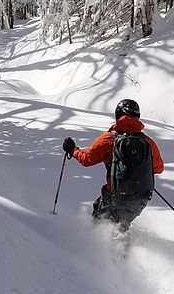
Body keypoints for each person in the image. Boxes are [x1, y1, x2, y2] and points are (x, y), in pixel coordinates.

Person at [62, 99, 164, 233]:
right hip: (141, 199)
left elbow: (87, 160)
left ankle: (97, 249)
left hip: (114, 197)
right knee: (121, 225)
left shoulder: (109, 138)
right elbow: (159, 168)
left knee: (98, 224)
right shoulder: (148, 142)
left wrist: (73, 149)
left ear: (118, 115)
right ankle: (128, 249)